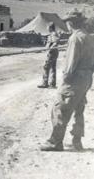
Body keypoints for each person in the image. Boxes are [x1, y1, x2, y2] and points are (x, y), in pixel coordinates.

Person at [40, 12, 94, 151]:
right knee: (79, 108)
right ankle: (77, 141)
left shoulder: (75, 38)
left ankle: (55, 142)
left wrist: (65, 82)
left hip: (74, 79)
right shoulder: (88, 37)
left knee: (60, 108)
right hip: (86, 78)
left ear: (71, 23)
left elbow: (70, 65)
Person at [37, 23, 60, 88]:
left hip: (52, 52)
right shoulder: (53, 33)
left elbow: (56, 42)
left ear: (50, 27)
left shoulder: (53, 34)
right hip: (54, 52)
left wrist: (51, 48)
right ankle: (52, 84)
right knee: (53, 68)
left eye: (47, 27)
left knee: (46, 67)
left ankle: (45, 83)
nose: (47, 28)